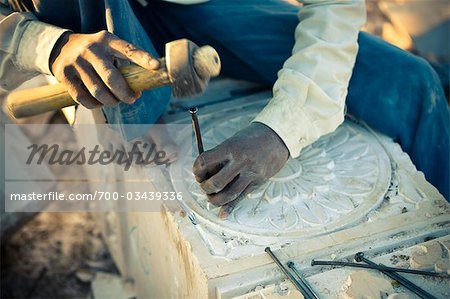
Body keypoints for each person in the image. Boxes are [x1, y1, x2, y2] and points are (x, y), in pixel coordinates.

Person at [1, 0, 448, 218]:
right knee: (128, 138)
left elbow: (334, 9)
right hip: (88, 16)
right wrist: (45, 44)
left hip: (205, 8)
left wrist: (283, 129)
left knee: (412, 84)